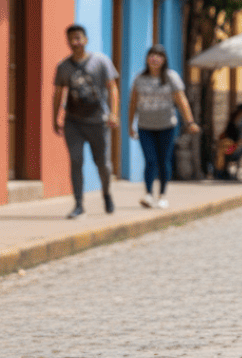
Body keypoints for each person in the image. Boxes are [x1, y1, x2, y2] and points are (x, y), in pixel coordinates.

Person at [53, 24, 120, 219]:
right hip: (73, 122)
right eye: (72, 39)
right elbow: (58, 93)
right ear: (68, 42)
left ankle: (106, 194)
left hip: (98, 121)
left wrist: (114, 114)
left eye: (79, 38)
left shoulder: (100, 61)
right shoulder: (63, 67)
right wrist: (55, 117)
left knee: (102, 164)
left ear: (86, 40)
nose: (75, 42)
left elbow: (112, 88)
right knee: (76, 160)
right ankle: (79, 204)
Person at [128, 43, 200, 209]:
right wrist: (130, 124)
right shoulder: (140, 79)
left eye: (158, 55)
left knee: (163, 161)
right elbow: (133, 103)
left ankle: (162, 195)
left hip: (166, 126)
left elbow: (181, 100)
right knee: (150, 160)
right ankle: (147, 194)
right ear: (147, 59)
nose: (154, 58)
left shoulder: (171, 77)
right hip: (145, 126)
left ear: (164, 59)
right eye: (151, 55)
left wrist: (189, 122)